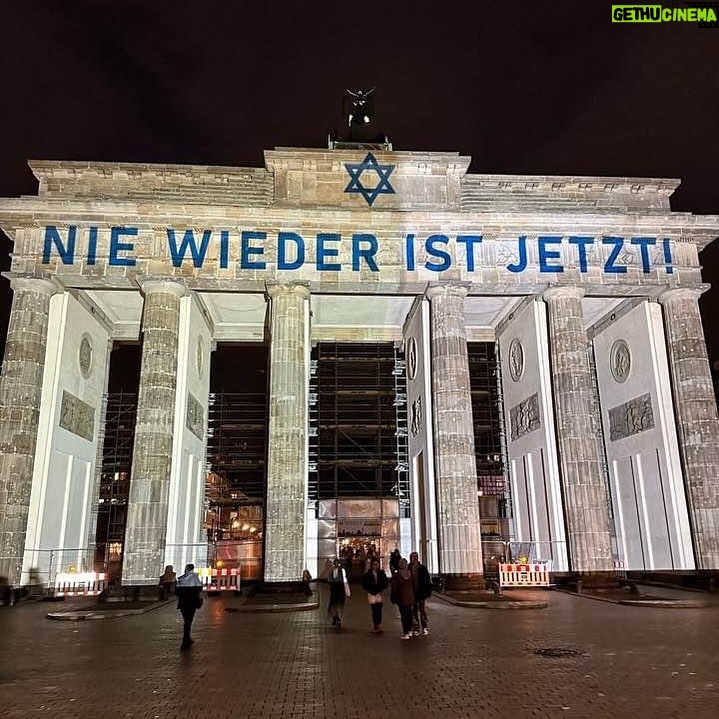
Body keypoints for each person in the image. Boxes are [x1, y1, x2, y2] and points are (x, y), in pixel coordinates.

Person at [175, 563, 203, 651]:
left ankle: (187, 639)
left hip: (183, 603)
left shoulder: (181, 578)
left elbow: (176, 592)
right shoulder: (195, 577)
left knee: (186, 621)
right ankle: (186, 639)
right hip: (192, 603)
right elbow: (200, 589)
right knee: (188, 621)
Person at [390, 558, 415, 639]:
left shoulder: (398, 575)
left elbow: (394, 587)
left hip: (401, 598)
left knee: (404, 615)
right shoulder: (410, 573)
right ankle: (410, 630)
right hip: (410, 597)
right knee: (409, 614)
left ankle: (406, 632)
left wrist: (393, 597)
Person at [361, 558, 389, 633]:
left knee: (379, 609)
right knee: (374, 609)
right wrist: (369, 590)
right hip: (371, 593)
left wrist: (382, 589)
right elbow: (364, 583)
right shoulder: (368, 574)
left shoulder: (381, 573)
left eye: (377, 564)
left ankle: (378, 624)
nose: (375, 566)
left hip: (379, 593)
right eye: (374, 564)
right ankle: (375, 625)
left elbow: (385, 582)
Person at [409, 551, 433, 636]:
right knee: (414, 611)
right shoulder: (408, 568)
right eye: (413, 557)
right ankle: (416, 628)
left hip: (421, 593)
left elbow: (427, 581)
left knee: (422, 610)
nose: (414, 558)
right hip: (412, 594)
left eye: (416, 557)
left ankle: (424, 627)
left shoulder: (422, 568)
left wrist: (427, 593)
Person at [327, 558, 349, 627]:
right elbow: (329, 579)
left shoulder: (340, 571)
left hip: (339, 588)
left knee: (338, 604)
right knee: (335, 604)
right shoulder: (333, 571)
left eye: (337, 563)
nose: (337, 565)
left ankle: (337, 618)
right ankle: (336, 617)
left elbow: (344, 579)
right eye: (336, 563)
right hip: (336, 589)